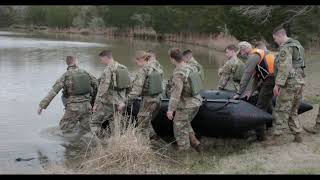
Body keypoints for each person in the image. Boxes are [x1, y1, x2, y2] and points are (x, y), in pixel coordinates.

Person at [38, 56, 98, 134]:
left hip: (73, 108)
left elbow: (54, 91)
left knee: (64, 131)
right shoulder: (86, 72)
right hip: (87, 107)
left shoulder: (66, 75)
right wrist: (94, 102)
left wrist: (42, 106)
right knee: (88, 131)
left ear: (68, 64)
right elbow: (97, 84)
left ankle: (70, 145)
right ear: (76, 62)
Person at [119, 50, 164, 141]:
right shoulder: (157, 66)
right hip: (158, 100)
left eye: (137, 62)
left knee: (142, 126)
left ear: (141, 59)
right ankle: (155, 139)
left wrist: (124, 102)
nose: (136, 64)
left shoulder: (143, 70)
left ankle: (144, 149)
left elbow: (136, 92)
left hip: (148, 101)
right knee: (146, 123)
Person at [271, 26, 305, 143]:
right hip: (299, 82)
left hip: (289, 83)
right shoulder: (298, 46)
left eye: (275, 39)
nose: (275, 41)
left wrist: (277, 85)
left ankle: (277, 137)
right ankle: (298, 134)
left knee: (280, 109)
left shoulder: (286, 48)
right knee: (293, 110)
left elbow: (284, 67)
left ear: (280, 35)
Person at [166, 48, 203, 152]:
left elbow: (176, 93)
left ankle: (185, 157)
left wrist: (170, 109)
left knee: (179, 130)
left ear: (173, 59)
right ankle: (196, 144)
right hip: (196, 102)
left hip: (186, 105)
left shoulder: (178, 73)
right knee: (185, 123)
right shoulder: (191, 67)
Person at [90, 50, 130, 138]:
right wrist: (124, 100)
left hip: (109, 103)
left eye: (101, 59)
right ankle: (115, 142)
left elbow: (102, 89)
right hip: (120, 103)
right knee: (115, 124)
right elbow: (128, 86)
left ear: (106, 58)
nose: (101, 61)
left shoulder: (107, 70)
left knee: (93, 123)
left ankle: (104, 140)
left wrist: (96, 105)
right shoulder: (123, 68)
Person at [233, 41, 276, 113]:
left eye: (241, 52)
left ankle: (260, 122)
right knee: (267, 102)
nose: (242, 55)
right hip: (270, 79)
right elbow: (257, 77)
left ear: (244, 50)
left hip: (270, 80)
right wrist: (251, 92)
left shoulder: (254, 56)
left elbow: (246, 76)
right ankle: (274, 119)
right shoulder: (259, 54)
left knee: (260, 106)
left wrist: (239, 93)